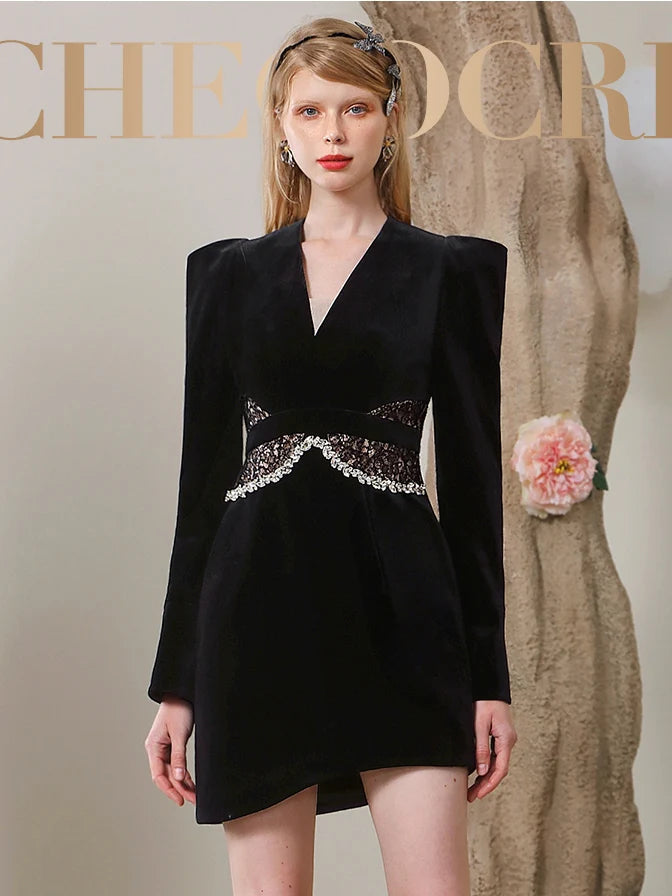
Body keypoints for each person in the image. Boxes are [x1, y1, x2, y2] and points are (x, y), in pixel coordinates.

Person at [144, 16, 517, 896]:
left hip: (408, 623)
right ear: (282, 126)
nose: (333, 132)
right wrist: (177, 686)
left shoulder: (450, 273)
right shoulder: (227, 276)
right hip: (256, 622)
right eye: (309, 111)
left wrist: (490, 681)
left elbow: (474, 492)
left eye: (355, 108)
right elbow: (201, 492)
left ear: (391, 120)